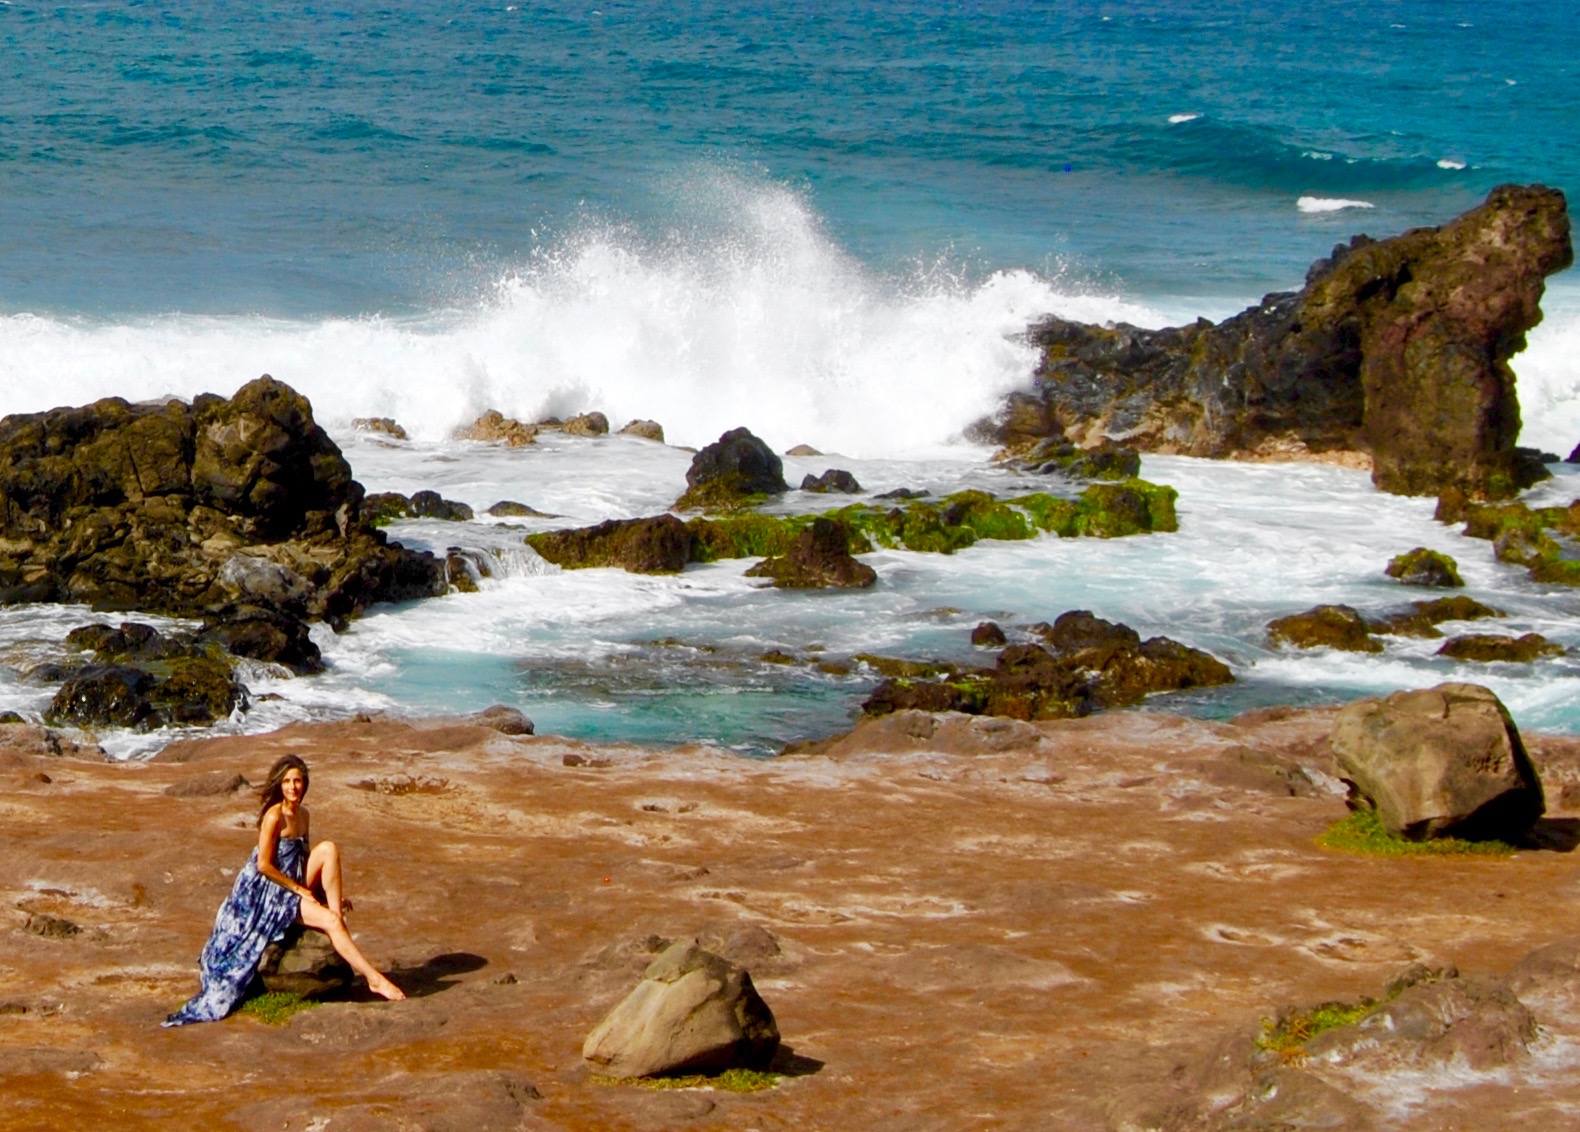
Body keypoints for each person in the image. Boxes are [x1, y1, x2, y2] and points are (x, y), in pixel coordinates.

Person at [164, 754, 405, 1025]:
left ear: (305, 784)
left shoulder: (304, 815)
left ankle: (336, 916)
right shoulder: (274, 816)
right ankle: (374, 979)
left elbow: (305, 857)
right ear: (280, 785)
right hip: (269, 891)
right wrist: (297, 890)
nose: (293, 787)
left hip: (294, 878)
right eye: (288, 781)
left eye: (298, 781)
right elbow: (264, 865)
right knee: (330, 922)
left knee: (329, 849)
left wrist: (324, 895)